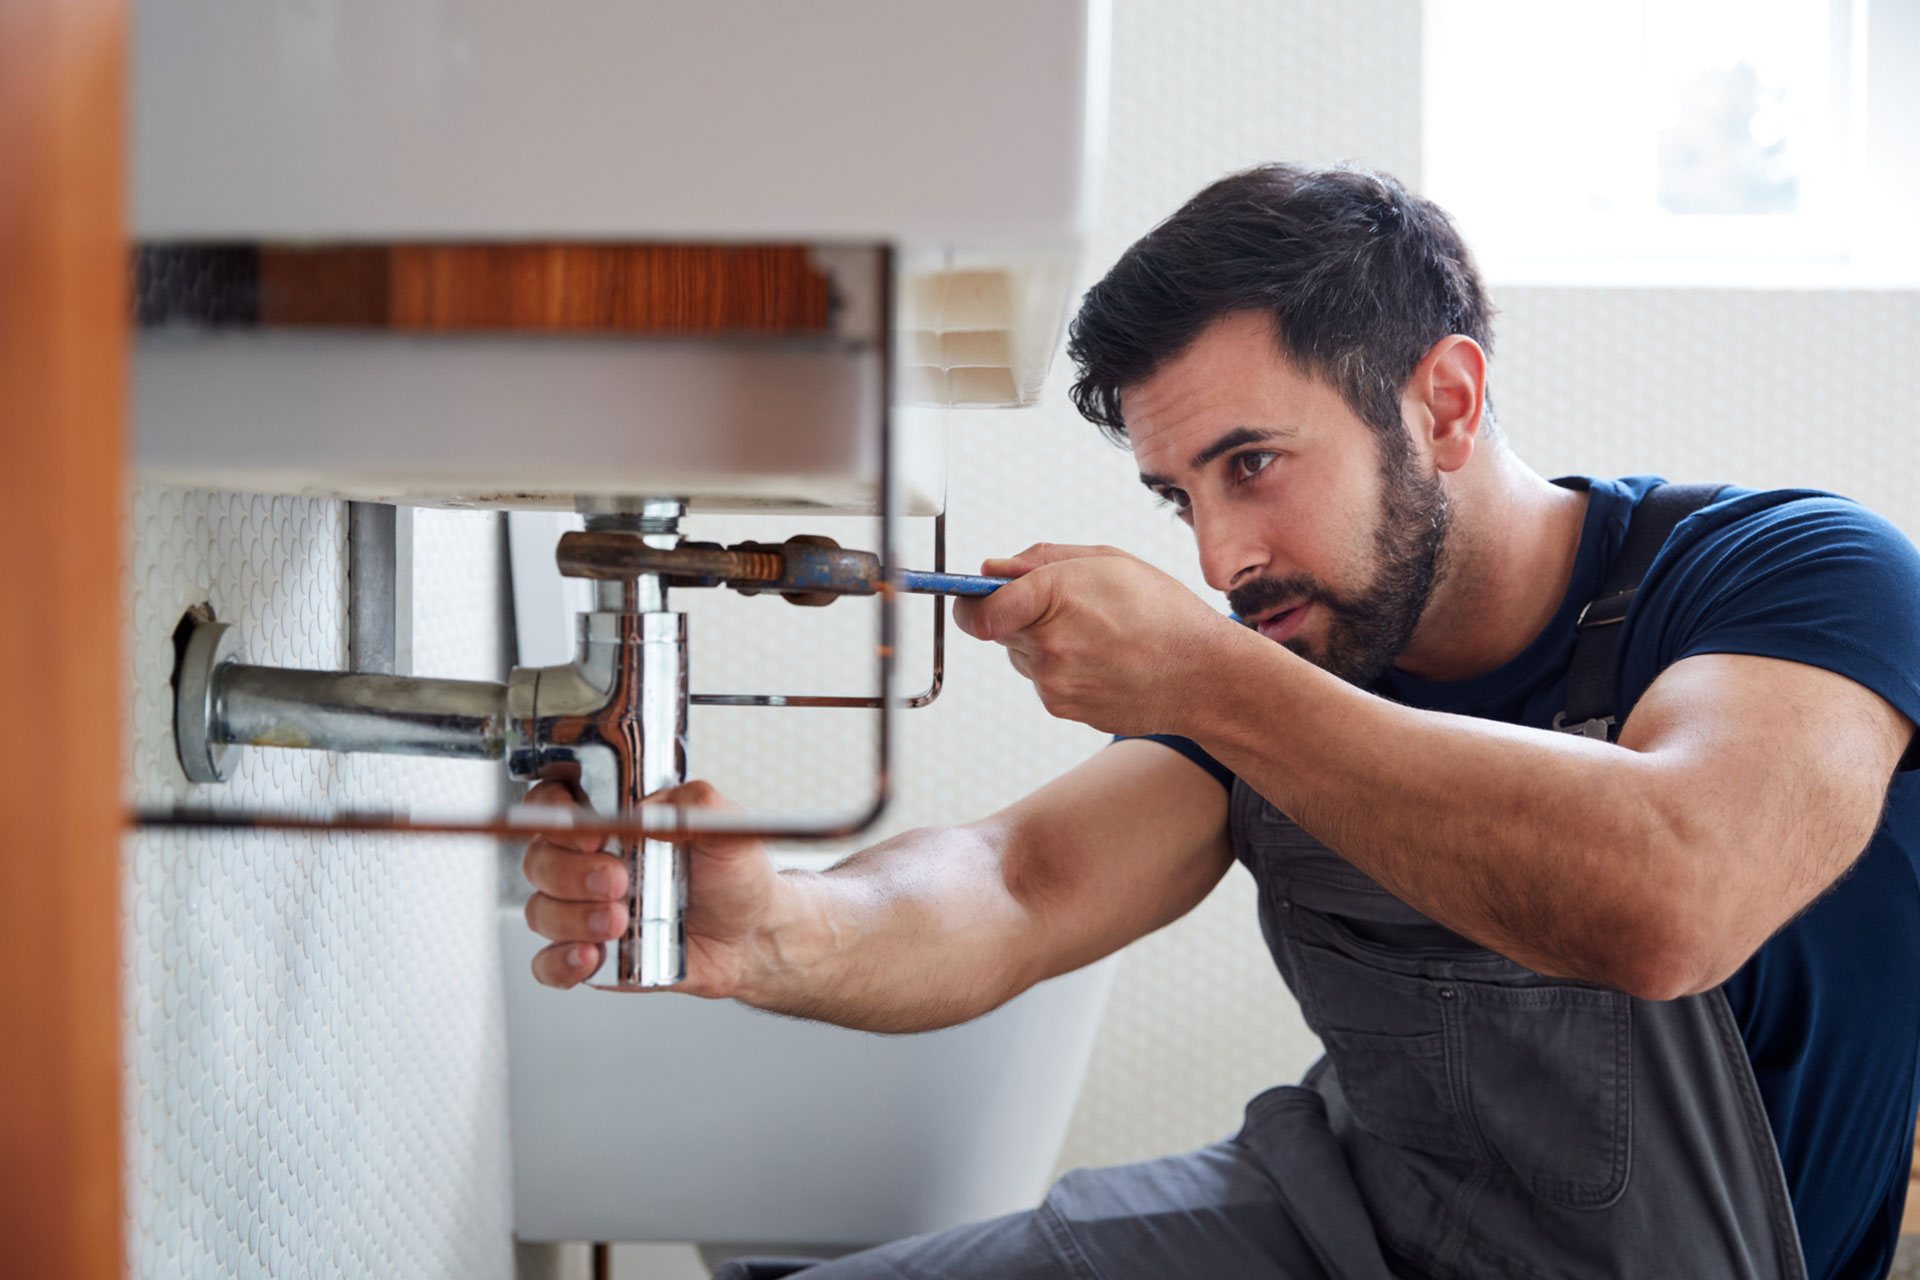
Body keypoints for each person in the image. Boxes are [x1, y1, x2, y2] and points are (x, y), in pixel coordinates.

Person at [521, 165, 1920, 1280]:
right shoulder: (1293, 644)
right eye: (1181, 496)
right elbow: (1019, 882)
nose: (1221, 558)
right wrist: (778, 926)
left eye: (1253, 464)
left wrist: (1212, 679)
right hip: (1323, 1219)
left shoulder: (1796, 577)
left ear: (1444, 401)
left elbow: (1673, 893)